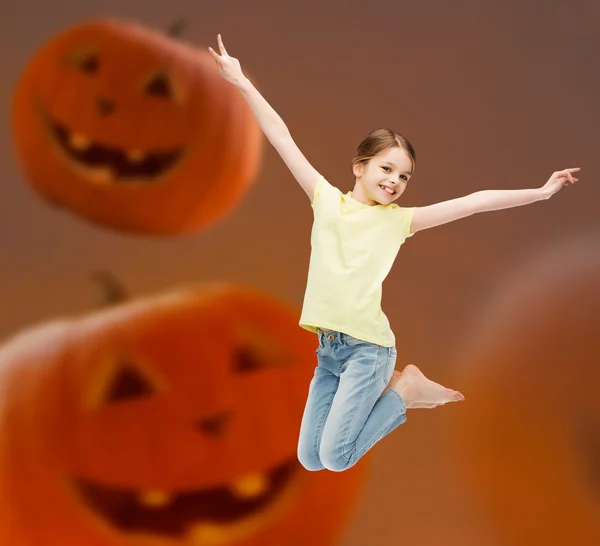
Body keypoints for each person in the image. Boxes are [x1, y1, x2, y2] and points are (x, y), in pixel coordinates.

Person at [208, 35, 580, 472]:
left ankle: (406, 391)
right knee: (310, 460)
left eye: (403, 176)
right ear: (358, 167)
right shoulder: (325, 199)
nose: (394, 182)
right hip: (330, 350)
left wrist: (540, 193)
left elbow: (474, 201)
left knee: (337, 457)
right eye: (386, 169)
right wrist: (241, 81)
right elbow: (281, 136)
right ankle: (403, 391)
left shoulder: (399, 221)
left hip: (369, 349)